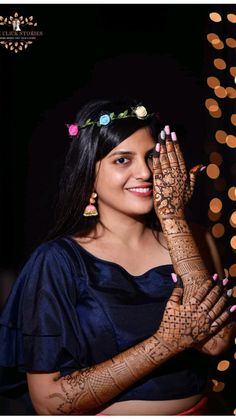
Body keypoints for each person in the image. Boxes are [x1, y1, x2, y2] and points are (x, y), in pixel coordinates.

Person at [0, 98, 235, 416]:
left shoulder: (196, 239)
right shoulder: (58, 261)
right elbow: (50, 402)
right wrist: (166, 343)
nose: (145, 172)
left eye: (152, 156)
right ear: (89, 175)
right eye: (123, 160)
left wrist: (172, 218)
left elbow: (216, 342)